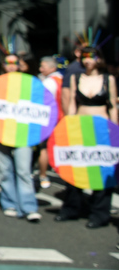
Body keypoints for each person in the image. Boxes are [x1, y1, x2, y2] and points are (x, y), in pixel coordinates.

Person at [55, 46, 117, 228]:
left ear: (99, 58)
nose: (88, 60)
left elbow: (112, 106)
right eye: (85, 56)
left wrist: (115, 131)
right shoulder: (76, 78)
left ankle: (99, 213)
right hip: (80, 129)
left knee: (103, 170)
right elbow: (73, 105)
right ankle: (72, 208)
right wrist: (68, 125)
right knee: (75, 168)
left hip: (102, 131)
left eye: (92, 56)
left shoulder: (108, 79)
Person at [0, 54, 41, 222]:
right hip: (1, 131)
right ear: (3, 64)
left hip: (23, 132)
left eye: (16, 62)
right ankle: (9, 203)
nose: (12, 65)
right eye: (8, 62)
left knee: (24, 170)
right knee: (5, 169)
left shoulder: (30, 82)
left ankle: (29, 207)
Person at [36, 55, 64, 189]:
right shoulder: (62, 79)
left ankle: (43, 175)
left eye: (43, 67)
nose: (40, 69)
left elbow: (41, 101)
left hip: (50, 120)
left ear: (52, 67)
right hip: (62, 119)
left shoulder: (48, 82)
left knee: (44, 148)